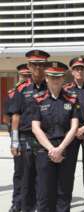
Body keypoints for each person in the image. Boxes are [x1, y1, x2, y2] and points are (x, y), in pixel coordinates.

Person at [31, 61, 79, 212]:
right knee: (45, 193)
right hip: (45, 151)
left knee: (64, 192)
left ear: (63, 78)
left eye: (58, 77)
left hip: (66, 149)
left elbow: (74, 126)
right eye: (52, 77)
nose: (55, 80)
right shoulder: (38, 99)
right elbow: (35, 128)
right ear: (46, 78)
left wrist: (61, 148)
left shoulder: (72, 99)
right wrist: (52, 149)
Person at [8, 50, 50, 212]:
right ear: (29, 66)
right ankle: (24, 207)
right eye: (35, 65)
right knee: (25, 178)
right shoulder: (21, 89)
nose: (38, 68)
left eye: (42, 65)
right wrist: (15, 141)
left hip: (45, 139)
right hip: (26, 138)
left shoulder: (51, 87)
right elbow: (16, 117)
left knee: (43, 179)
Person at [63, 56, 84, 208]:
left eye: (82, 68)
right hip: (72, 133)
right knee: (68, 167)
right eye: (76, 68)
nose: (79, 71)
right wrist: (75, 130)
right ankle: (65, 198)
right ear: (72, 71)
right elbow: (63, 113)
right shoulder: (66, 89)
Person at [6, 63, 32, 212]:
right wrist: (13, 138)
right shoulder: (13, 93)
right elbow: (7, 117)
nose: (25, 78)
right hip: (20, 135)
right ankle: (17, 202)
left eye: (27, 76)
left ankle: (32, 201)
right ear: (19, 76)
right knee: (20, 172)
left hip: (38, 136)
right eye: (23, 76)